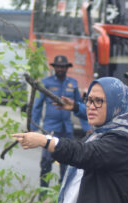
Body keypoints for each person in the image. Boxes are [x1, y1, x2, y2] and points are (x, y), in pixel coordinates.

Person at [30, 55, 89, 187]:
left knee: (67, 164)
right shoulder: (46, 83)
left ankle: (61, 194)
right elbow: (37, 106)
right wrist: (33, 126)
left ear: (67, 68)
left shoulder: (72, 83)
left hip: (66, 130)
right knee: (46, 162)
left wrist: (86, 127)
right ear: (54, 68)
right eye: (58, 67)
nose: (61, 69)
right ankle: (43, 193)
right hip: (50, 128)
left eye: (63, 67)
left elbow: (78, 106)